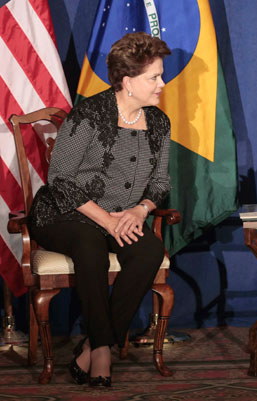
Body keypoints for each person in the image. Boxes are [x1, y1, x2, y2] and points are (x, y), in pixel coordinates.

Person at [28, 32, 172, 387]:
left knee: (149, 250)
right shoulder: (89, 114)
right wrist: (107, 220)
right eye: (154, 76)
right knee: (89, 248)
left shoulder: (159, 123)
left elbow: (161, 184)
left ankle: (94, 343)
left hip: (122, 217)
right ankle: (104, 352)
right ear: (127, 82)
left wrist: (141, 210)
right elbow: (60, 178)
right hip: (64, 213)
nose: (161, 83)